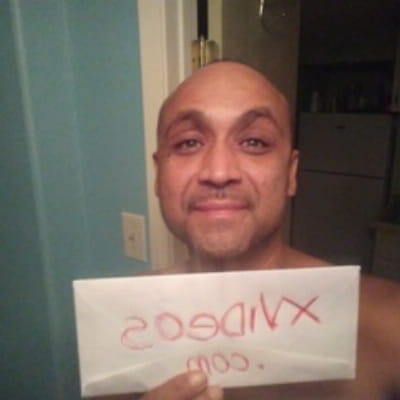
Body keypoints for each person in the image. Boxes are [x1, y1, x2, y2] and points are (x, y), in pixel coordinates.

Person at [103, 61, 400, 399]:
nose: (218, 172)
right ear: (159, 175)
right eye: (188, 143)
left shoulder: (390, 325)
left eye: (255, 142)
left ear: (291, 173)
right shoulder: (118, 329)